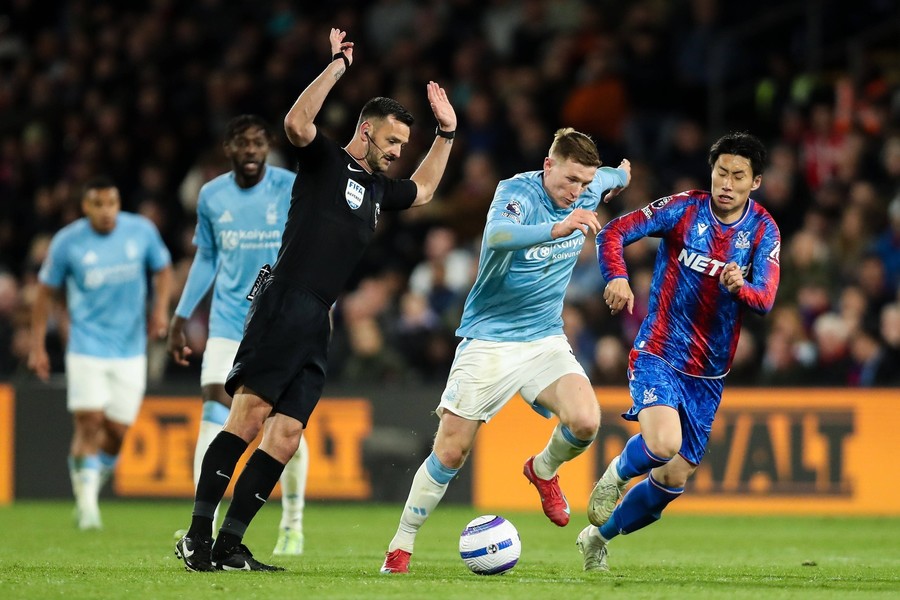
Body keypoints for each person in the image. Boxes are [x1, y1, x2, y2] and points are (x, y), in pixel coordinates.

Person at [174, 27, 457, 572]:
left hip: (318, 319)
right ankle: (195, 537)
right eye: (393, 143)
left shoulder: (377, 190)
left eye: (403, 147)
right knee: (249, 417)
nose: (398, 154)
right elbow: (295, 124)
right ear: (366, 131)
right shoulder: (326, 161)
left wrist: (446, 133)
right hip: (285, 301)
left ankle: (231, 543)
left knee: (286, 434)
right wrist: (337, 67)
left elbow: (423, 191)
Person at [380, 128, 631, 574]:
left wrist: (620, 176)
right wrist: (561, 225)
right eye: (570, 180)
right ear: (548, 165)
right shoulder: (516, 191)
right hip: (490, 338)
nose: (577, 191)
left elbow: (615, 176)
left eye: (585, 184)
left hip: (544, 339)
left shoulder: (592, 185)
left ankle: (542, 470)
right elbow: (496, 236)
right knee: (452, 451)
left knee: (587, 420)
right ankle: (400, 547)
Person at [577, 132, 780, 572]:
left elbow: (765, 298)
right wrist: (616, 276)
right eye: (720, 172)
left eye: (738, 175)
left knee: (673, 478)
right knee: (663, 443)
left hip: (708, 374)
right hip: (660, 350)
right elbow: (613, 231)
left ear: (756, 182)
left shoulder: (763, 230)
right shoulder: (683, 208)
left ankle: (596, 537)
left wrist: (739, 286)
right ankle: (614, 476)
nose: (726, 182)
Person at [167, 115, 308, 556]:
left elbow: (309, 242)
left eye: (258, 143)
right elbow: (207, 257)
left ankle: (293, 521)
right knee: (214, 409)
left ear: (268, 147)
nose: (251, 151)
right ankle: (200, 524)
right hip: (228, 322)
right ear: (228, 149)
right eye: (242, 144)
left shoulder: (289, 185)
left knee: (281, 427)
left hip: (278, 323)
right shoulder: (211, 195)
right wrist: (181, 314)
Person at [28, 176, 173, 530]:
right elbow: (45, 292)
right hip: (86, 344)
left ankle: (89, 484)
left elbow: (164, 269)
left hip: (130, 348)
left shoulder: (141, 232)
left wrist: (159, 310)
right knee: (89, 421)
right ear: (85, 206)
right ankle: (88, 505)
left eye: (112, 203)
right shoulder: (68, 242)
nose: (107, 211)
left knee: (117, 431)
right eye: (98, 204)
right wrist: (37, 346)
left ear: (118, 203)